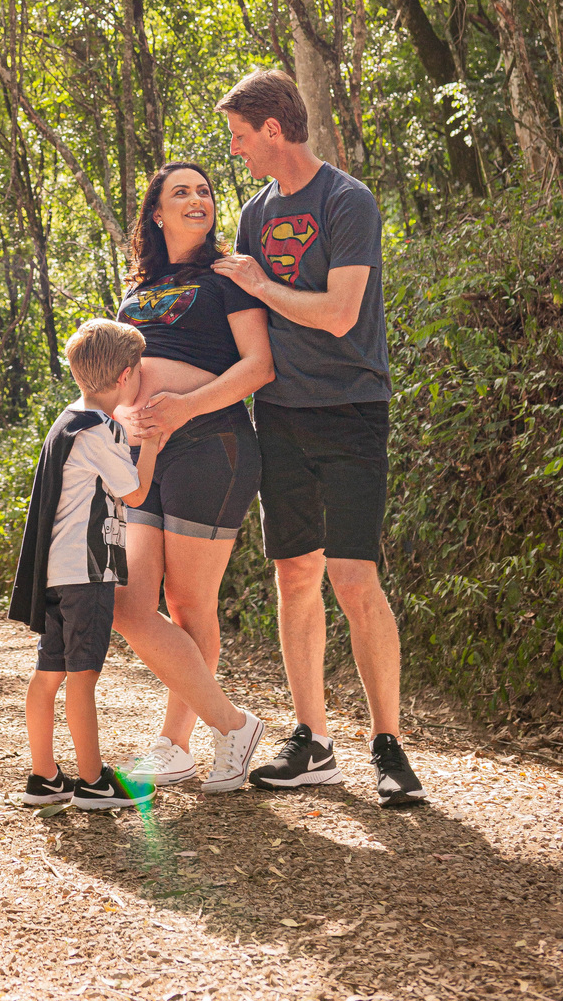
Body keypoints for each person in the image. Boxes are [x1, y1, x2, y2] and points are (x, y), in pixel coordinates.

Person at [209, 68, 424, 806]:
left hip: (354, 408)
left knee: (354, 576)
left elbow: (338, 313)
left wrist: (263, 285)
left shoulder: (347, 200)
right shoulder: (252, 216)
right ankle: (313, 741)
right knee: (295, 573)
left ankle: (389, 747)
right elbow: (244, 328)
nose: (236, 151)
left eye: (242, 137)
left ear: (274, 130)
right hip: (281, 415)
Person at [8, 318, 265, 806]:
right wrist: (150, 446)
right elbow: (136, 491)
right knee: (83, 678)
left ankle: (44, 776)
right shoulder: (100, 431)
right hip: (85, 575)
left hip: (55, 574)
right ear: (128, 377)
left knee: (47, 677)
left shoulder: (65, 421)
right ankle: (93, 781)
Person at [108, 162, 273, 790]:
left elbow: (258, 367)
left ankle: (178, 743)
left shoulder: (227, 277)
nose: (197, 199)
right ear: (156, 212)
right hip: (147, 454)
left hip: (214, 445)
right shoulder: (135, 290)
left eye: (204, 191)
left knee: (189, 605)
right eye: (181, 192)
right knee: (130, 604)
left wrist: (182, 408)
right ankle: (229, 724)